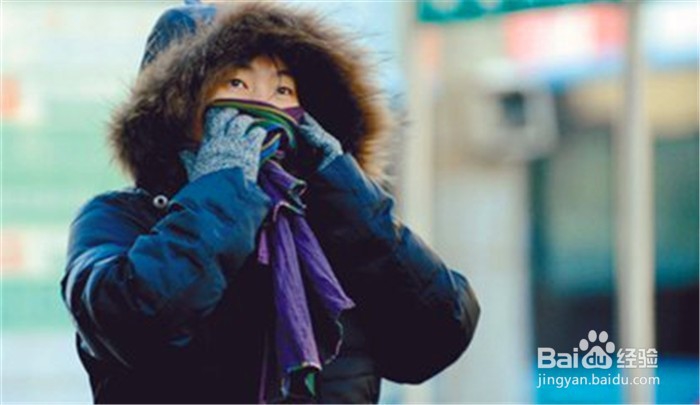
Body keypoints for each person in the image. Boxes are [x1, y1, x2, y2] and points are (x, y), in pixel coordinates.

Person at [60, 2, 481, 404]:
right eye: (237, 84)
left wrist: (342, 184)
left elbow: (436, 336)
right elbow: (135, 324)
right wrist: (222, 185)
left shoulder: (332, 227)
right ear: (177, 108)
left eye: (282, 89)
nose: (262, 106)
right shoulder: (118, 218)